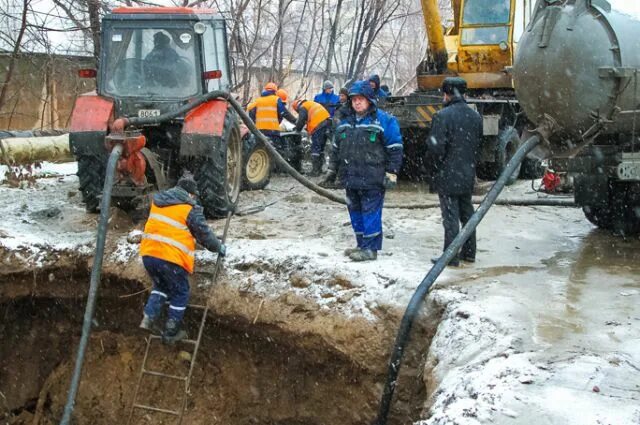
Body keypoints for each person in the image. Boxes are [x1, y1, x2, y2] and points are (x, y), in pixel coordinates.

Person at [320, 80, 403, 262]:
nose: (357, 102)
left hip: (373, 178)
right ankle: (360, 244)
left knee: (370, 212)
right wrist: (332, 171)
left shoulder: (384, 121)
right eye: (354, 99)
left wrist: (391, 172)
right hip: (350, 177)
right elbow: (335, 149)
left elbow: (395, 148)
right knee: (355, 212)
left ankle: (370, 249)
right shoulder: (344, 124)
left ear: (370, 100)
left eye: (361, 99)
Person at [139, 175, 226, 344]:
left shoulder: (158, 202)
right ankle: (171, 331)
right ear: (190, 194)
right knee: (180, 291)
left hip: (149, 254)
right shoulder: (189, 208)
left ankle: (148, 317)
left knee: (161, 286)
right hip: (171, 258)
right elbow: (204, 234)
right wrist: (218, 247)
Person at [427, 77, 482, 267]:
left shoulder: (442, 116)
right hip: (467, 173)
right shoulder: (475, 117)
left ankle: (450, 255)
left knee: (450, 217)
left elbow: (435, 149)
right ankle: (469, 253)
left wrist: (434, 169)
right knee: (467, 213)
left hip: (447, 174)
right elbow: (478, 147)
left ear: (447, 93)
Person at [248, 82, 297, 150]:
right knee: (275, 150)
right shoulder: (276, 99)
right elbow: (284, 113)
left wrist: (254, 123)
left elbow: (250, 110)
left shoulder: (258, 100)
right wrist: (295, 121)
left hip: (260, 131)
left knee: (261, 149)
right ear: (275, 91)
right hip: (272, 132)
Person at [292, 99, 332, 176]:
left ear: (297, 107)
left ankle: (315, 171)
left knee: (315, 148)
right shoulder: (310, 104)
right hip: (327, 122)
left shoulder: (303, 107)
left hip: (318, 125)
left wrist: (297, 130)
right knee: (321, 147)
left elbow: (301, 120)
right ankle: (320, 169)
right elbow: (309, 118)